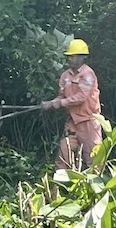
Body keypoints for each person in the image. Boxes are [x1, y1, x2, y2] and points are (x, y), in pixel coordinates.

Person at [41, 39, 102, 171]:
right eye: (68, 56)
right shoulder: (65, 76)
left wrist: (59, 103)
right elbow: (62, 96)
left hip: (89, 122)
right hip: (73, 122)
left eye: (72, 56)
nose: (69, 59)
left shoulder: (87, 74)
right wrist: (52, 103)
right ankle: (59, 187)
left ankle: (98, 188)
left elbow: (82, 97)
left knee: (94, 160)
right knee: (63, 155)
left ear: (82, 58)